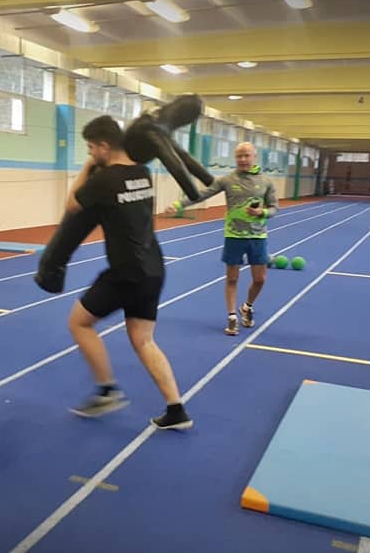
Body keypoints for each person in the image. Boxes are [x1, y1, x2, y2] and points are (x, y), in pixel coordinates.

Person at [65, 115, 192, 430]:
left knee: (78, 323)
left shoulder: (104, 181)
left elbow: (71, 205)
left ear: (104, 146)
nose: (90, 153)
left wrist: (87, 168)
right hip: (154, 268)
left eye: (91, 148)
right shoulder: (142, 173)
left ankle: (107, 390)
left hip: (126, 272)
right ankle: (176, 409)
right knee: (143, 340)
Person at [166, 142, 277, 336]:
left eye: (246, 155)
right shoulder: (227, 180)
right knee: (232, 278)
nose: (243, 159)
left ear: (254, 156)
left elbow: (274, 207)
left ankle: (247, 306)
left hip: (257, 236)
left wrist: (263, 212)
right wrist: (179, 204)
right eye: (239, 156)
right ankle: (232, 316)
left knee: (260, 279)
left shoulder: (266, 182)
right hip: (233, 236)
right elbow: (201, 195)